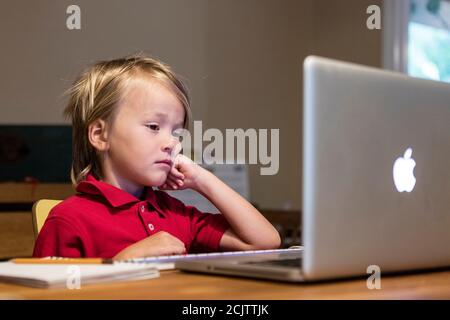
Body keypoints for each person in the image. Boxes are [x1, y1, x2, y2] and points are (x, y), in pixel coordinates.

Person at [33, 53, 281, 260]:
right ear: (100, 135)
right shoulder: (68, 220)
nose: (171, 143)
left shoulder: (175, 214)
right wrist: (121, 264)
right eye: (153, 127)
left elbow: (264, 241)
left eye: (177, 132)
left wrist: (201, 179)